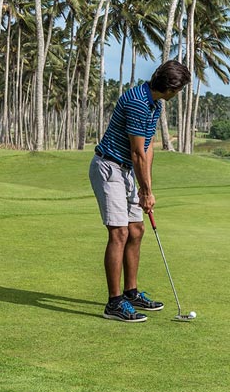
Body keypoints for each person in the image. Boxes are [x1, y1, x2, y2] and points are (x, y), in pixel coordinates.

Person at [90, 60, 191, 322]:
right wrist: (145, 192)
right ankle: (114, 303)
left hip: (128, 172)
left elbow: (147, 147)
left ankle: (131, 292)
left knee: (137, 229)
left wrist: (148, 187)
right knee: (120, 232)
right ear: (171, 87)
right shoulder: (137, 102)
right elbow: (136, 152)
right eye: (179, 90)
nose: (178, 95)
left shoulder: (154, 103)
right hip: (109, 167)